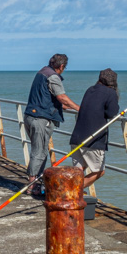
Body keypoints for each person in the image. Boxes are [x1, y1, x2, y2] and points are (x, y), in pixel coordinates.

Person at [24, 54, 79, 195]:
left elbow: (57, 101)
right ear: (61, 66)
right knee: (40, 152)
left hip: (30, 116)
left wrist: (69, 106)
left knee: (38, 150)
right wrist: (80, 109)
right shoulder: (53, 77)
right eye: (64, 68)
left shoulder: (41, 72)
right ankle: (32, 184)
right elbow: (62, 97)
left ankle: (35, 182)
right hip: (40, 119)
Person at [69, 69, 120, 189]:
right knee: (99, 171)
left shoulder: (90, 89)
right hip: (93, 140)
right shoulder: (110, 93)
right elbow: (112, 112)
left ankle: (70, 193)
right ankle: (72, 193)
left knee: (78, 171)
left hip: (77, 137)